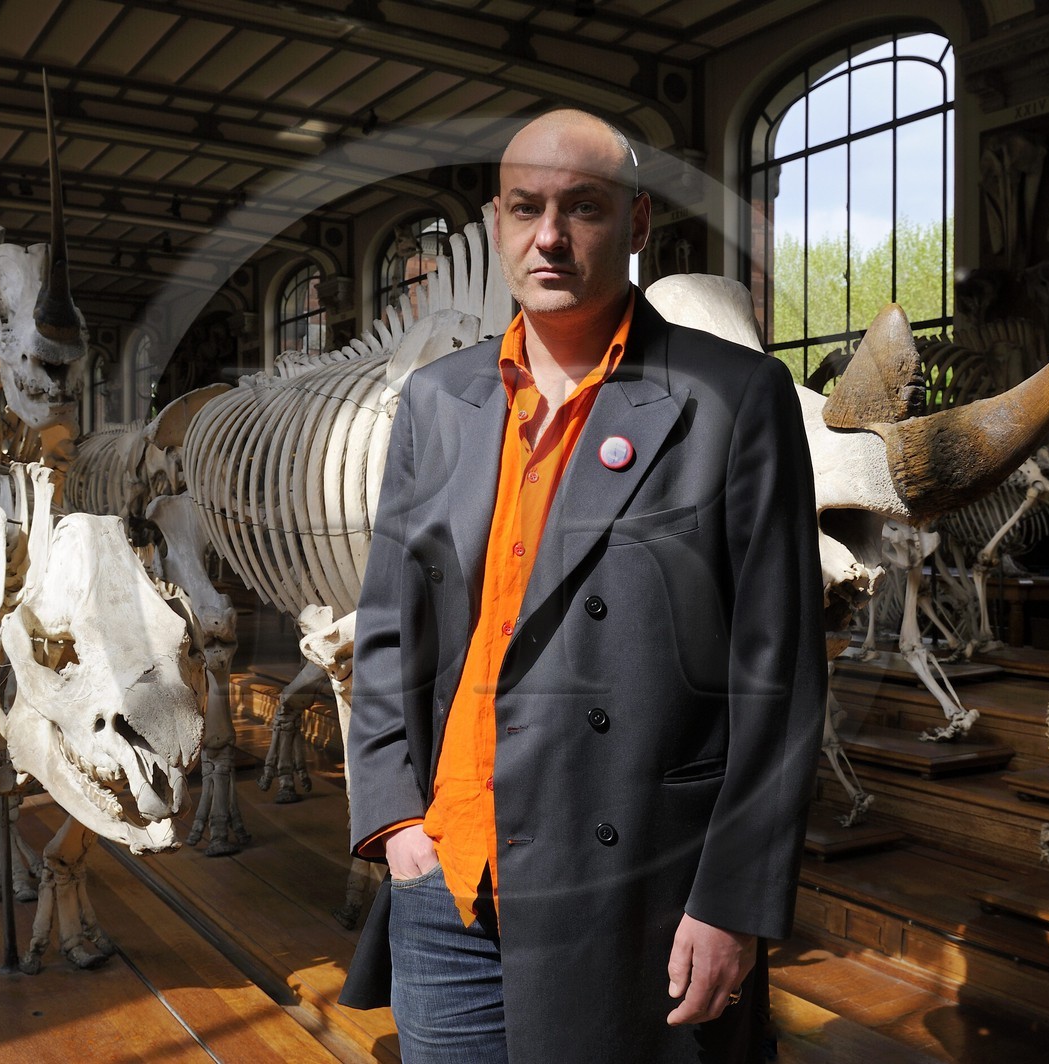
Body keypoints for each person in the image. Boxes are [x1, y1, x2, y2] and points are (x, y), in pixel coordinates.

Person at [340, 109, 827, 1064]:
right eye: (526, 209)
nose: (549, 237)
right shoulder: (439, 403)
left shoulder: (732, 397)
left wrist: (734, 901)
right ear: (496, 222)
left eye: (583, 209)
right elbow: (392, 626)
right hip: (447, 878)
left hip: (636, 885)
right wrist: (395, 818)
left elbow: (782, 676)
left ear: (639, 223)